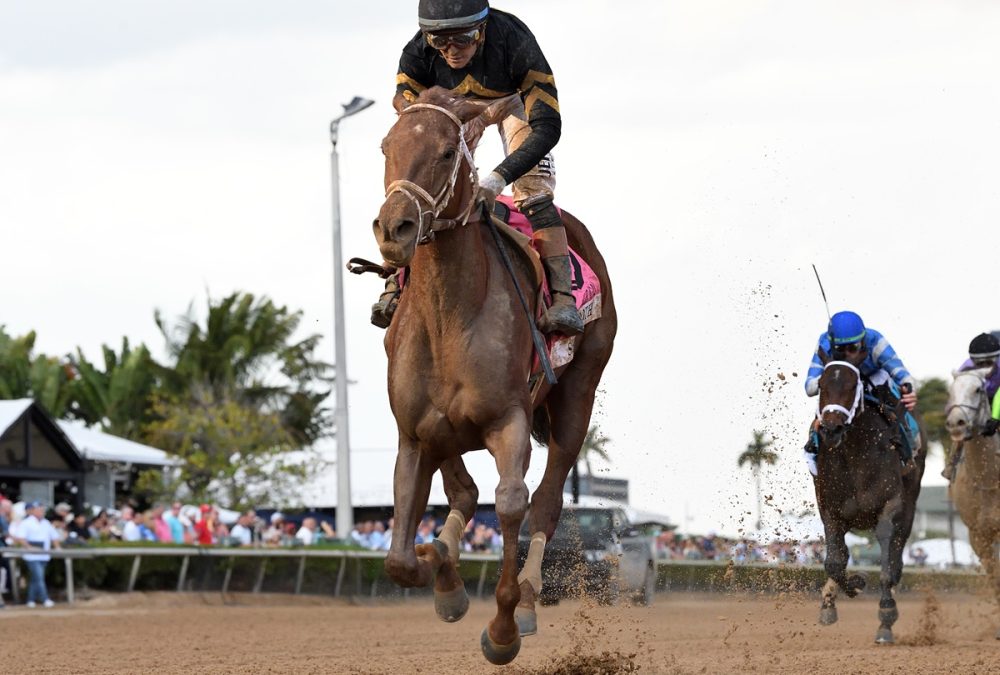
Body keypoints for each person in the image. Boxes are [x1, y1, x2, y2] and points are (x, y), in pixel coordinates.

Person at [370, 0, 583, 336]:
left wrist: (497, 179)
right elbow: (406, 110)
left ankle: (562, 299)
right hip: (454, 107)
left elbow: (547, 127)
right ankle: (395, 283)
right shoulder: (416, 52)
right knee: (425, 184)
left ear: (482, 29)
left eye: (463, 38)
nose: (451, 51)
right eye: (440, 42)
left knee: (533, 191)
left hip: (514, 102)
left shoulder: (516, 42)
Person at [803, 311, 919, 474]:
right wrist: (831, 378)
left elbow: (903, 375)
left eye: (853, 348)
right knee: (829, 399)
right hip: (840, 384)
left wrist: (908, 389)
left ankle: (908, 443)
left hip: (873, 379)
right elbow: (810, 387)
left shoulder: (876, 341)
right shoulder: (824, 343)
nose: (848, 354)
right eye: (840, 349)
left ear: (863, 341)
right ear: (832, 344)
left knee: (891, 394)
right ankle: (813, 448)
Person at [942, 332, 1000, 480]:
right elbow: (959, 394)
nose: (984, 366)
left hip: (997, 396)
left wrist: (995, 418)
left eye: (989, 362)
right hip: (977, 399)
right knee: (962, 423)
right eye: (979, 363)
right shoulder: (965, 368)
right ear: (972, 361)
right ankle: (952, 463)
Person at [10, 501, 60, 608]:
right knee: (39, 577)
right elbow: (20, 538)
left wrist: (57, 547)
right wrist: (29, 547)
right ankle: (45, 598)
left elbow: (54, 536)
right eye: (39, 510)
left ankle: (30, 600)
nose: (41, 512)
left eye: (42, 510)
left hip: (44, 556)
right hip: (31, 556)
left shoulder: (46, 523)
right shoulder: (26, 522)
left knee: (35, 579)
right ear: (33, 511)